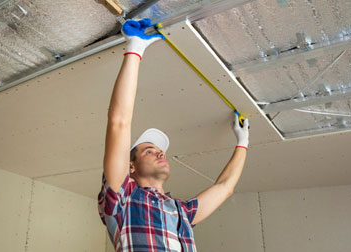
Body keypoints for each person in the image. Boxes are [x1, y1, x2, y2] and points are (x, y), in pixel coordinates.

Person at [98, 18, 249, 252]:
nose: (160, 153)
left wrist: (243, 142)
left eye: (157, 151)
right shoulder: (123, 198)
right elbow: (119, 123)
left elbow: (224, 186)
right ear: (131, 168)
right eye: (151, 151)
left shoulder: (180, 211)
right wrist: (135, 50)